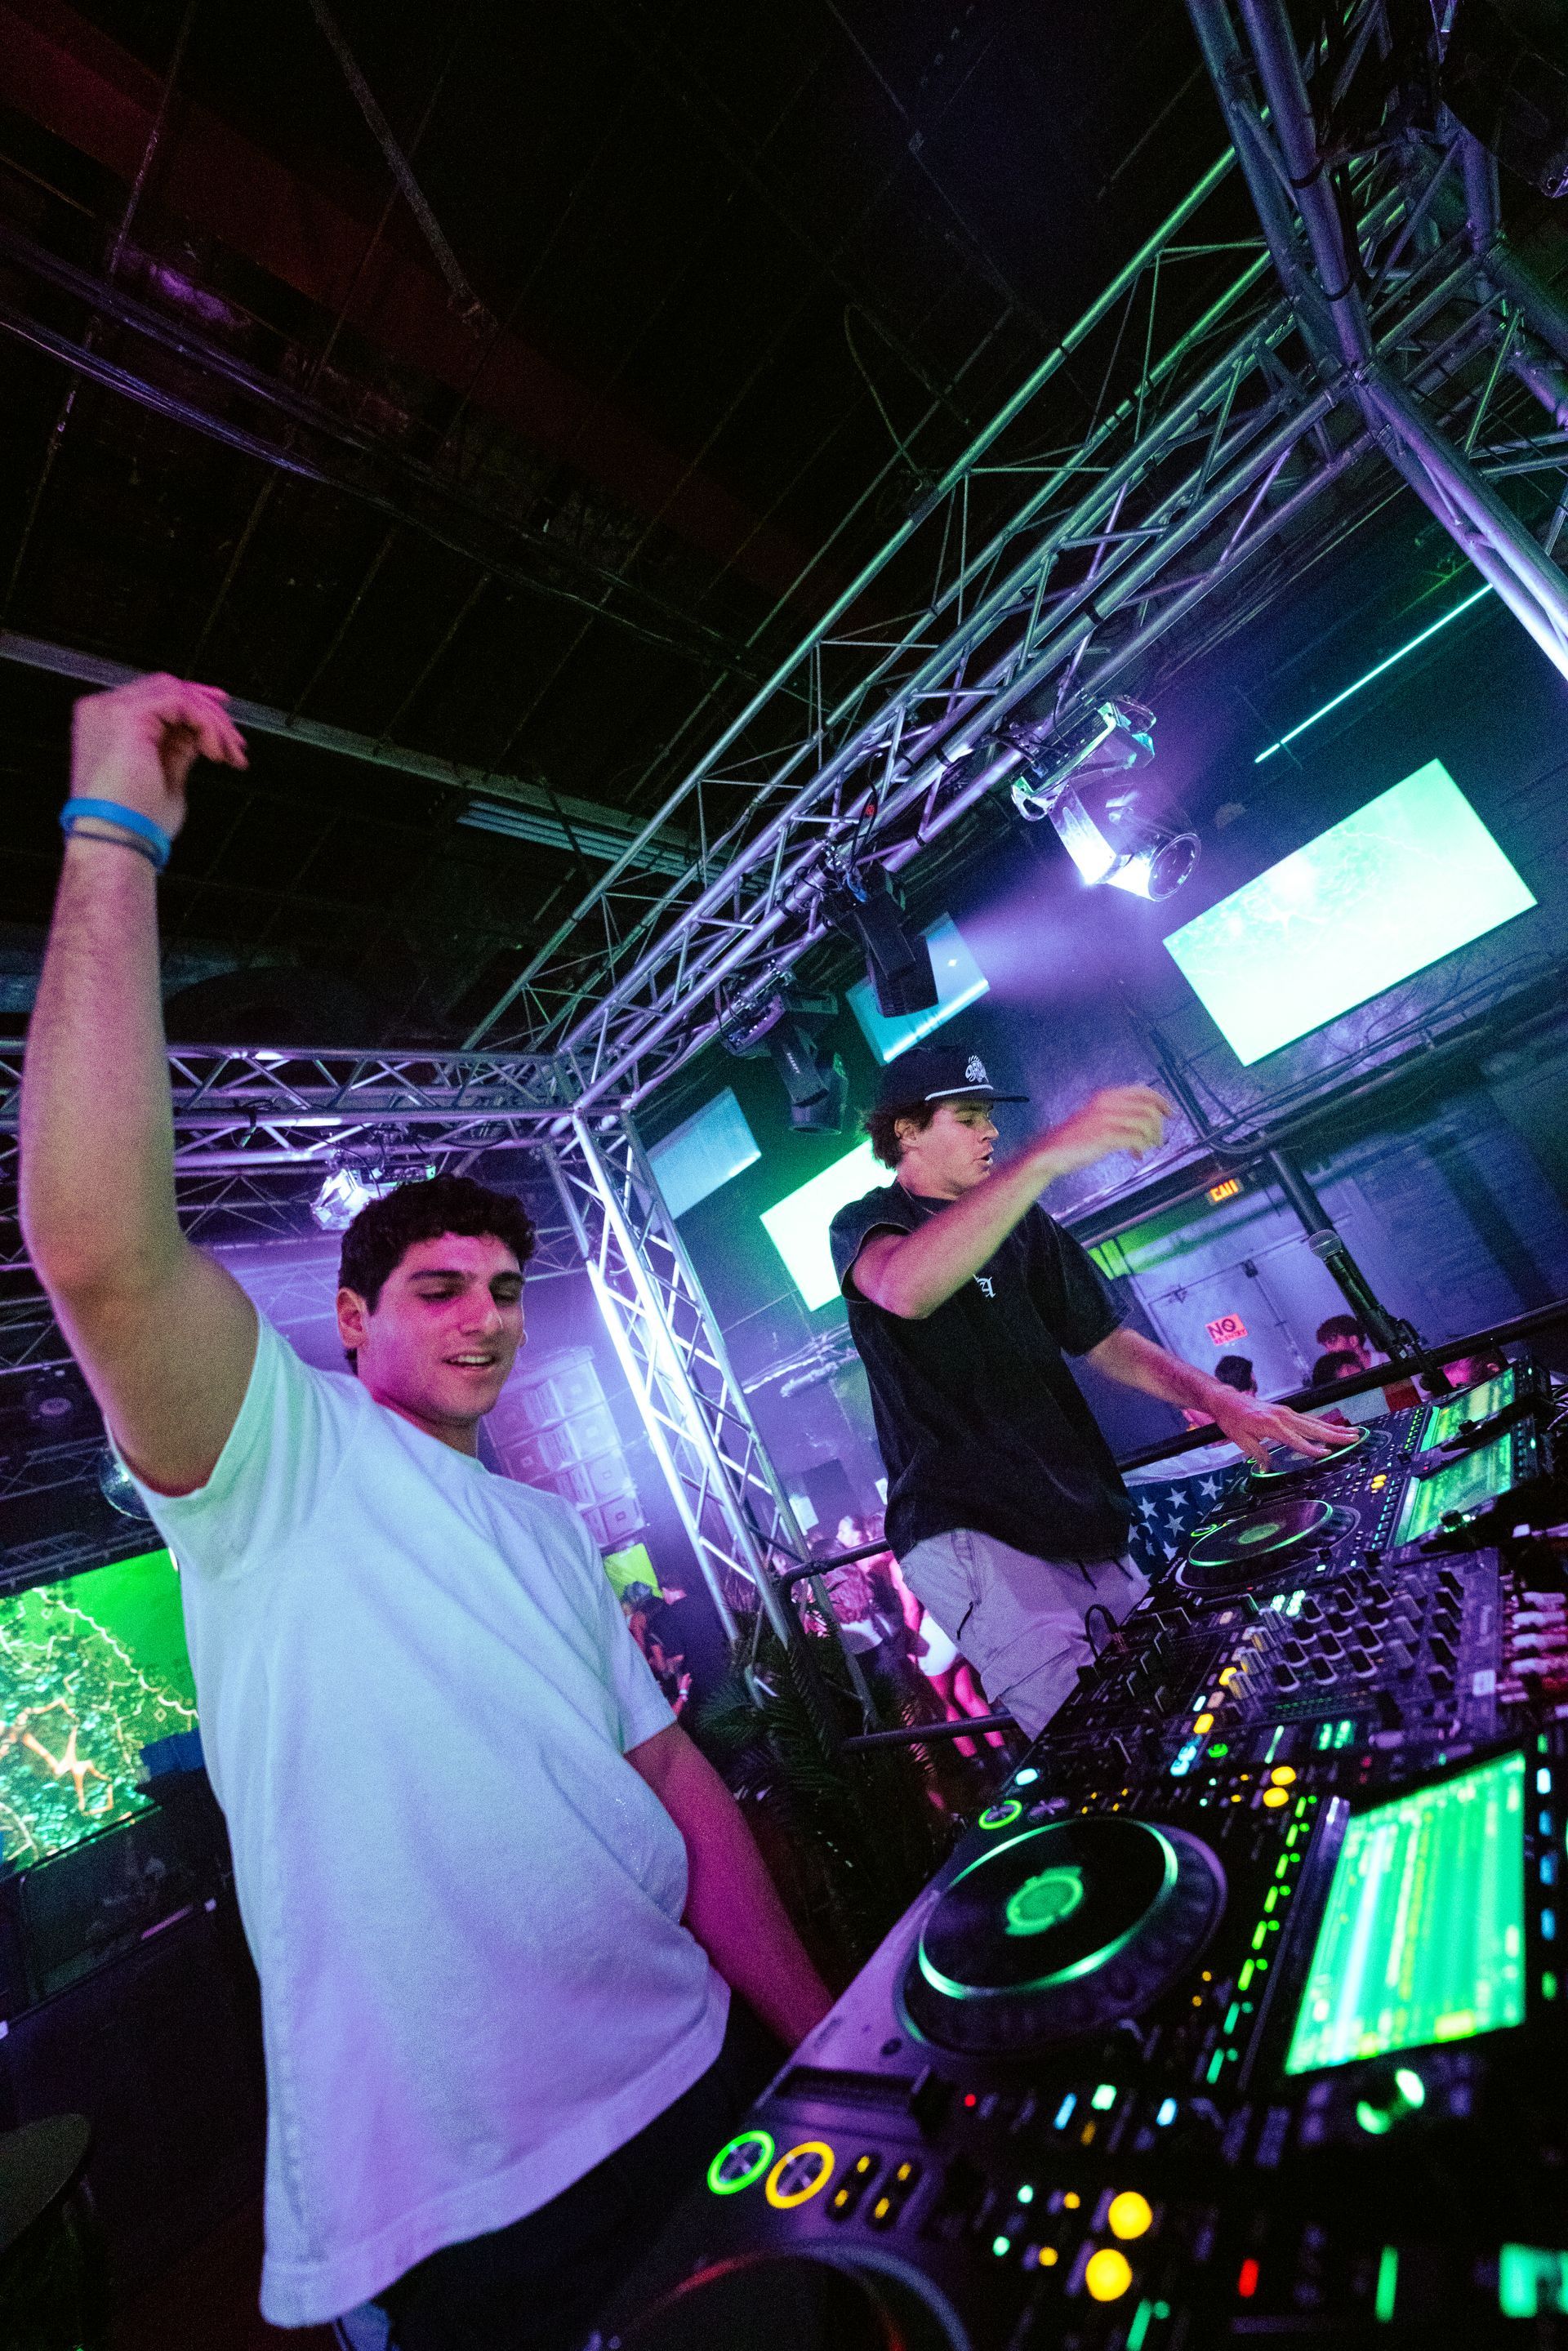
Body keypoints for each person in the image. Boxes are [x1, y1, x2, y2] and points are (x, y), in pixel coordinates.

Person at [19, 674, 831, 2351]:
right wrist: (113, 835)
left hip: (702, 2063)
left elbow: (675, 1783)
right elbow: (100, 1246)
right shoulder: (277, 1457)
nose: (485, 1317)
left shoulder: (544, 1532)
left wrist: (821, 2036)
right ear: (352, 1316)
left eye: (507, 1289)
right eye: (440, 1287)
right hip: (483, 2198)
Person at [827, 1044, 1334, 1739]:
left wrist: (1220, 1399)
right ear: (906, 1130)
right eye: (969, 1117)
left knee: (1187, 1709)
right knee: (1095, 1744)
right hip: (970, 1527)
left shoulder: (1023, 1222)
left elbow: (1103, 1338)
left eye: (989, 1117)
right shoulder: (869, 1221)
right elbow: (906, 1288)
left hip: (1075, 1511)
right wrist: (1048, 1152)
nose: (990, 1132)